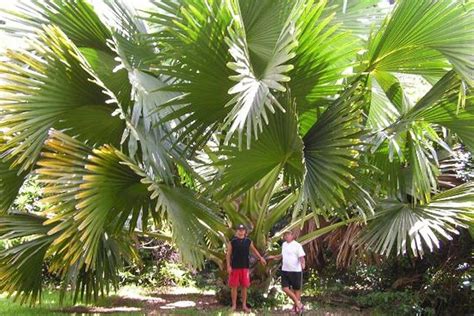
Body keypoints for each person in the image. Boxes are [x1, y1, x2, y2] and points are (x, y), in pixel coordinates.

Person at [226, 224, 266, 313]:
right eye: (239, 230)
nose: (241, 231)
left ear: (245, 231)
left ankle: (244, 305)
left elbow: (254, 250)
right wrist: (228, 266)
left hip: (245, 267)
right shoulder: (232, 241)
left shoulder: (248, 241)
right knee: (234, 287)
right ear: (237, 231)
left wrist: (261, 258)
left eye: (242, 230)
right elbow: (228, 254)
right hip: (235, 267)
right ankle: (234, 305)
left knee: (244, 287)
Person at [268, 230, 305, 313]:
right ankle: (298, 303)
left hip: (295, 270)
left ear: (292, 235)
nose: (286, 236)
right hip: (285, 270)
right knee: (285, 288)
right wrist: (274, 257)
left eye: (288, 234)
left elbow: (301, 257)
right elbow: (282, 255)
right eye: (285, 235)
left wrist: (303, 263)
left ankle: (296, 308)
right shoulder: (284, 245)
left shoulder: (297, 245)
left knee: (296, 289)